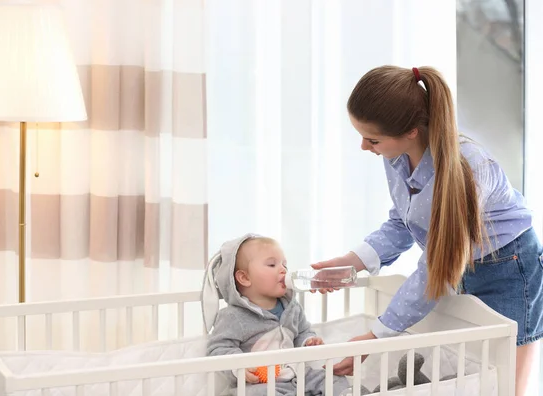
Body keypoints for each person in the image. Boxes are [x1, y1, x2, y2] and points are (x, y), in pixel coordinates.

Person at [311, 65, 543, 396]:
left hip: (509, 265)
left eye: (372, 139)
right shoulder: (396, 157)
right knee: (469, 373)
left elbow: (437, 266)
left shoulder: (466, 171)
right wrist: (353, 261)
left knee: (503, 382)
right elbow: (402, 222)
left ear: (411, 132)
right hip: (462, 264)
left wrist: (377, 336)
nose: (364, 147)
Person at [205, 234, 362, 396]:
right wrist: (239, 367)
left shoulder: (292, 308)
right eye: (272, 264)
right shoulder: (233, 316)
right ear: (244, 278)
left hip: (297, 373)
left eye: (284, 265)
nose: (283, 270)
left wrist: (308, 340)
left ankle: (349, 393)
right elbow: (218, 348)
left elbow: (302, 332)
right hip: (261, 383)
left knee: (330, 377)